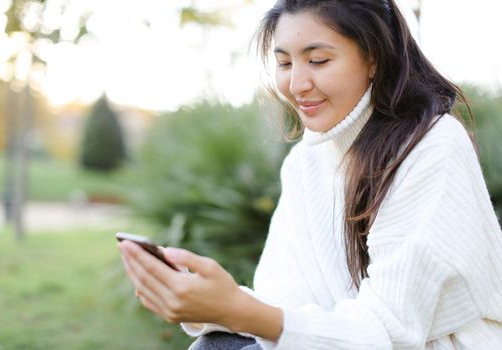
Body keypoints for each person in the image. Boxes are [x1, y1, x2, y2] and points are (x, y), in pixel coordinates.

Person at [118, 0, 502, 348]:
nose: (297, 85)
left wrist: (236, 310)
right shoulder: (305, 160)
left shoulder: (431, 145)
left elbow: (391, 333)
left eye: (317, 60)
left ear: (374, 59)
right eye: (285, 63)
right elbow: (286, 303)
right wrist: (209, 305)